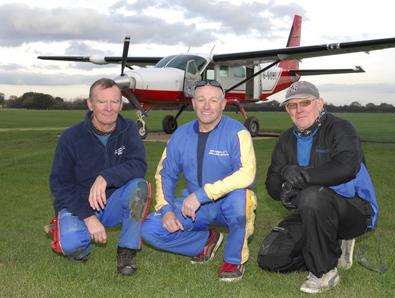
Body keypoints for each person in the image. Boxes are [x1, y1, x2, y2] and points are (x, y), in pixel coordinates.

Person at [258, 81, 378, 294]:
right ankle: (331, 247)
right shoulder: (286, 139)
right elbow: (272, 185)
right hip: (311, 212)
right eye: (291, 105)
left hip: (354, 210)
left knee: (312, 195)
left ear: (320, 103)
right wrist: (286, 176)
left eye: (305, 102)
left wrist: (302, 177)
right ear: (287, 110)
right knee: (271, 258)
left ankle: (324, 272)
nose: (299, 110)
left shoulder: (341, 128)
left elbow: (347, 167)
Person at [141, 79, 257, 282]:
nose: (206, 106)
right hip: (195, 209)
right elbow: (165, 174)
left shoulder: (238, 133)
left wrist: (202, 194)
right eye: (201, 99)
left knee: (242, 200)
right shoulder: (180, 134)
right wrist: (166, 209)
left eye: (213, 100)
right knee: (150, 229)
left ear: (223, 104)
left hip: (227, 203)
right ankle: (206, 240)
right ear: (193, 103)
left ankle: (233, 259)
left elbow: (246, 173)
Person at [48, 78, 149, 276]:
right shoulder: (71, 137)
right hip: (78, 204)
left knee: (139, 186)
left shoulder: (129, 130)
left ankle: (127, 250)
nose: (109, 108)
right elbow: (60, 185)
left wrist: (105, 177)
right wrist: (88, 217)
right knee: (70, 243)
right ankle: (81, 248)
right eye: (102, 101)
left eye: (115, 101)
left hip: (112, 203)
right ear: (90, 103)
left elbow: (139, 165)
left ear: (121, 104)